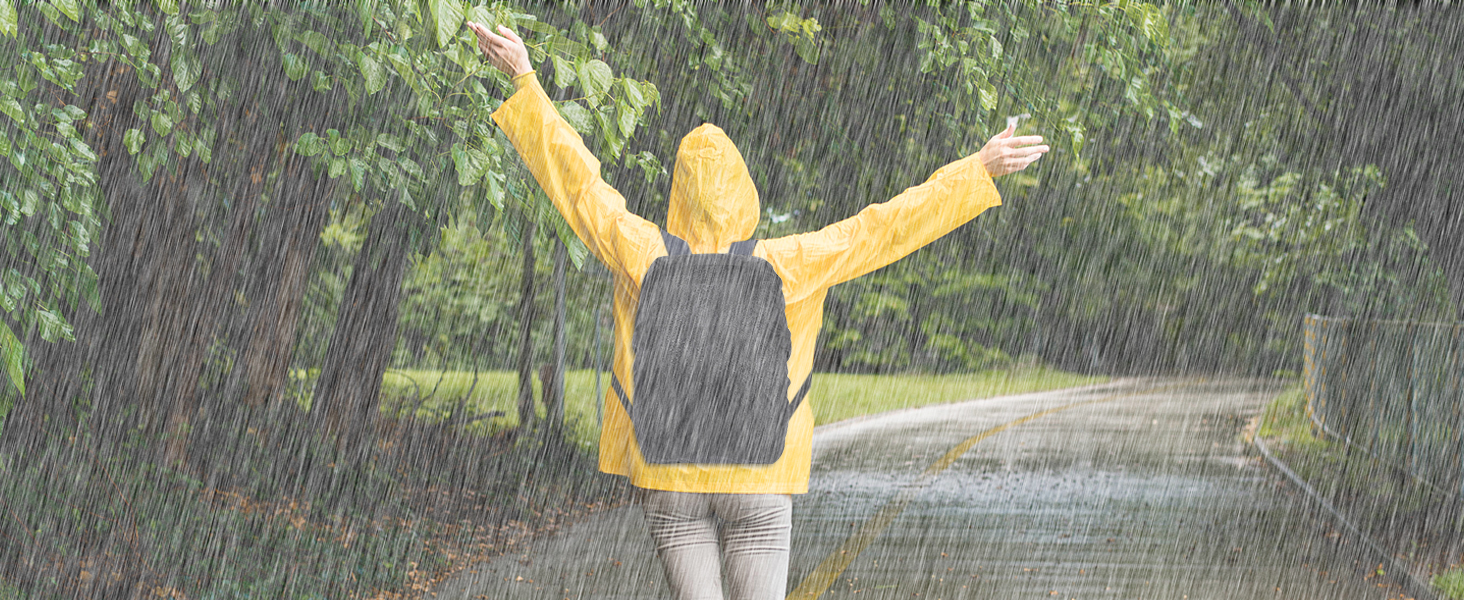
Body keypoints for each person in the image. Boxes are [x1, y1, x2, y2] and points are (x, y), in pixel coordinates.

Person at [468, 21, 1048, 600]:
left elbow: (579, 185)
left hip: (669, 471)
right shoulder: (788, 264)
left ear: (678, 192)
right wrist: (976, 171)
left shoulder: (641, 253)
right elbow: (885, 226)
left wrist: (525, 80)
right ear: (745, 191)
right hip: (761, 474)